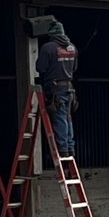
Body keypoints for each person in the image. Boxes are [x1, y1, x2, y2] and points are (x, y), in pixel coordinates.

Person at [35, 20, 78, 157]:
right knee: (67, 117)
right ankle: (70, 147)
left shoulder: (48, 47)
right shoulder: (72, 47)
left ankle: (63, 150)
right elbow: (75, 68)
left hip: (55, 88)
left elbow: (40, 68)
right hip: (69, 87)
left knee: (59, 118)